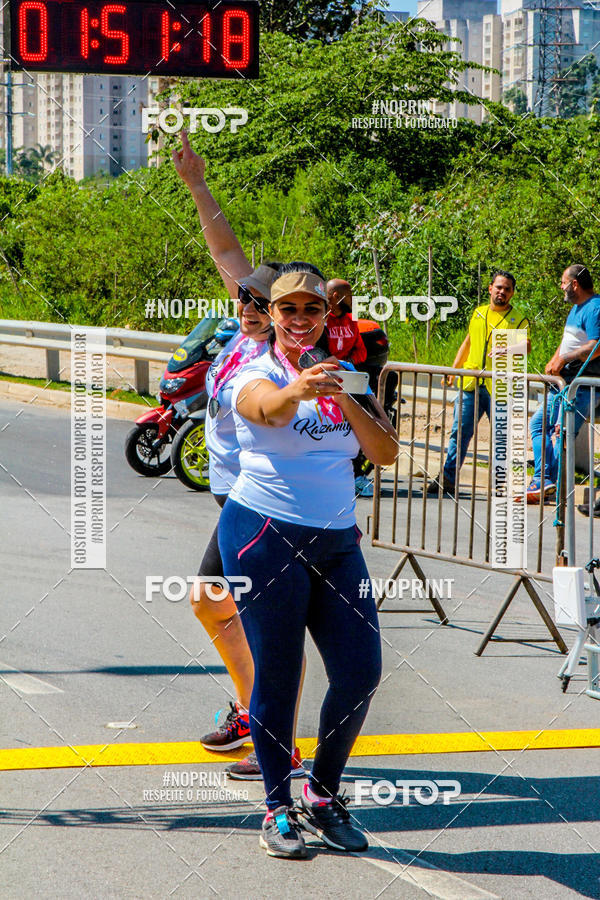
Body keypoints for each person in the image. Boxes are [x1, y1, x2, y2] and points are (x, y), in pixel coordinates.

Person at [219, 262, 397, 859]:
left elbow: (386, 452)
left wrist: (348, 394)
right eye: (287, 308)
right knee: (279, 674)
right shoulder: (251, 369)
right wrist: (300, 388)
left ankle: (322, 796)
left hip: (336, 539)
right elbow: (264, 410)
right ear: (270, 315)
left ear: (326, 315)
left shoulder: (349, 376)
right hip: (262, 534)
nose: (299, 319)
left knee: (359, 671)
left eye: (311, 309)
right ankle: (277, 808)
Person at [172, 132, 305, 780]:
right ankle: (256, 713)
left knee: (236, 607)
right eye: (243, 296)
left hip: (264, 504)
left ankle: (269, 731)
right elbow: (225, 249)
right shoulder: (241, 332)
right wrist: (197, 184)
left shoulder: (277, 356)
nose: (244, 303)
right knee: (219, 602)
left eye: (258, 299)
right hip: (237, 500)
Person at [428, 270, 531, 496]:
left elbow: (526, 346)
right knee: (459, 433)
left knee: (501, 437)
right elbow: (468, 342)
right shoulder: (478, 313)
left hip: (499, 387)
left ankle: (501, 483)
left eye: (507, 289)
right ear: (490, 288)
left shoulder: (519, 318)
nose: (502, 292)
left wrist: (506, 349)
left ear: (512, 293)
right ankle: (448, 478)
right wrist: (454, 369)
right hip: (470, 384)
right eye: (499, 287)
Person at [527, 265, 600, 505]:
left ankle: (555, 487)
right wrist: (555, 357)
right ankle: (544, 479)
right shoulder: (576, 309)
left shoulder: (594, 308)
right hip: (562, 383)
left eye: (563, 282)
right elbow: (569, 341)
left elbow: (596, 346)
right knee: (539, 425)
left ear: (574, 284)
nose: (561, 287)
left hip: (580, 385)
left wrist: (565, 359)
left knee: (561, 434)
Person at [326, 279, 374, 498]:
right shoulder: (321, 320)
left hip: (347, 382)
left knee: (354, 430)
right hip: (325, 385)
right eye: (349, 295)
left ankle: (356, 477)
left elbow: (362, 352)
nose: (353, 300)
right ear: (336, 297)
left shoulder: (349, 320)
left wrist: (344, 360)